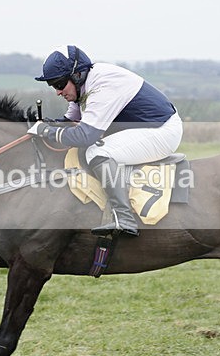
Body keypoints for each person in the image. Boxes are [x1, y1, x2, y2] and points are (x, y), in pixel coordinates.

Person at [29, 45, 183, 237]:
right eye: (53, 86)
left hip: (162, 131)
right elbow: (69, 122)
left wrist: (47, 131)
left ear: (77, 75)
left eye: (59, 85)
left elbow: (86, 136)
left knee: (97, 151)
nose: (58, 92)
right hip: (147, 126)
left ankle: (123, 217)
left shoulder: (102, 87)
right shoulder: (84, 85)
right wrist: (45, 126)